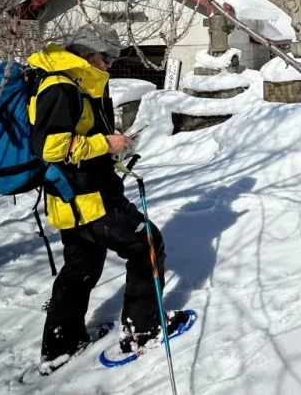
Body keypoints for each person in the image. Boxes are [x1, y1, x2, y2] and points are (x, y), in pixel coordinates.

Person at [27, 23, 187, 372]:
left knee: (81, 267)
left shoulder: (71, 81)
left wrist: (111, 146)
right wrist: (106, 143)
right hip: (88, 196)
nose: (110, 65)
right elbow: (51, 147)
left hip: (72, 197)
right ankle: (143, 330)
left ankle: (61, 346)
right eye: (107, 57)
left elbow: (73, 137)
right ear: (89, 54)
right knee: (147, 244)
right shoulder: (62, 85)